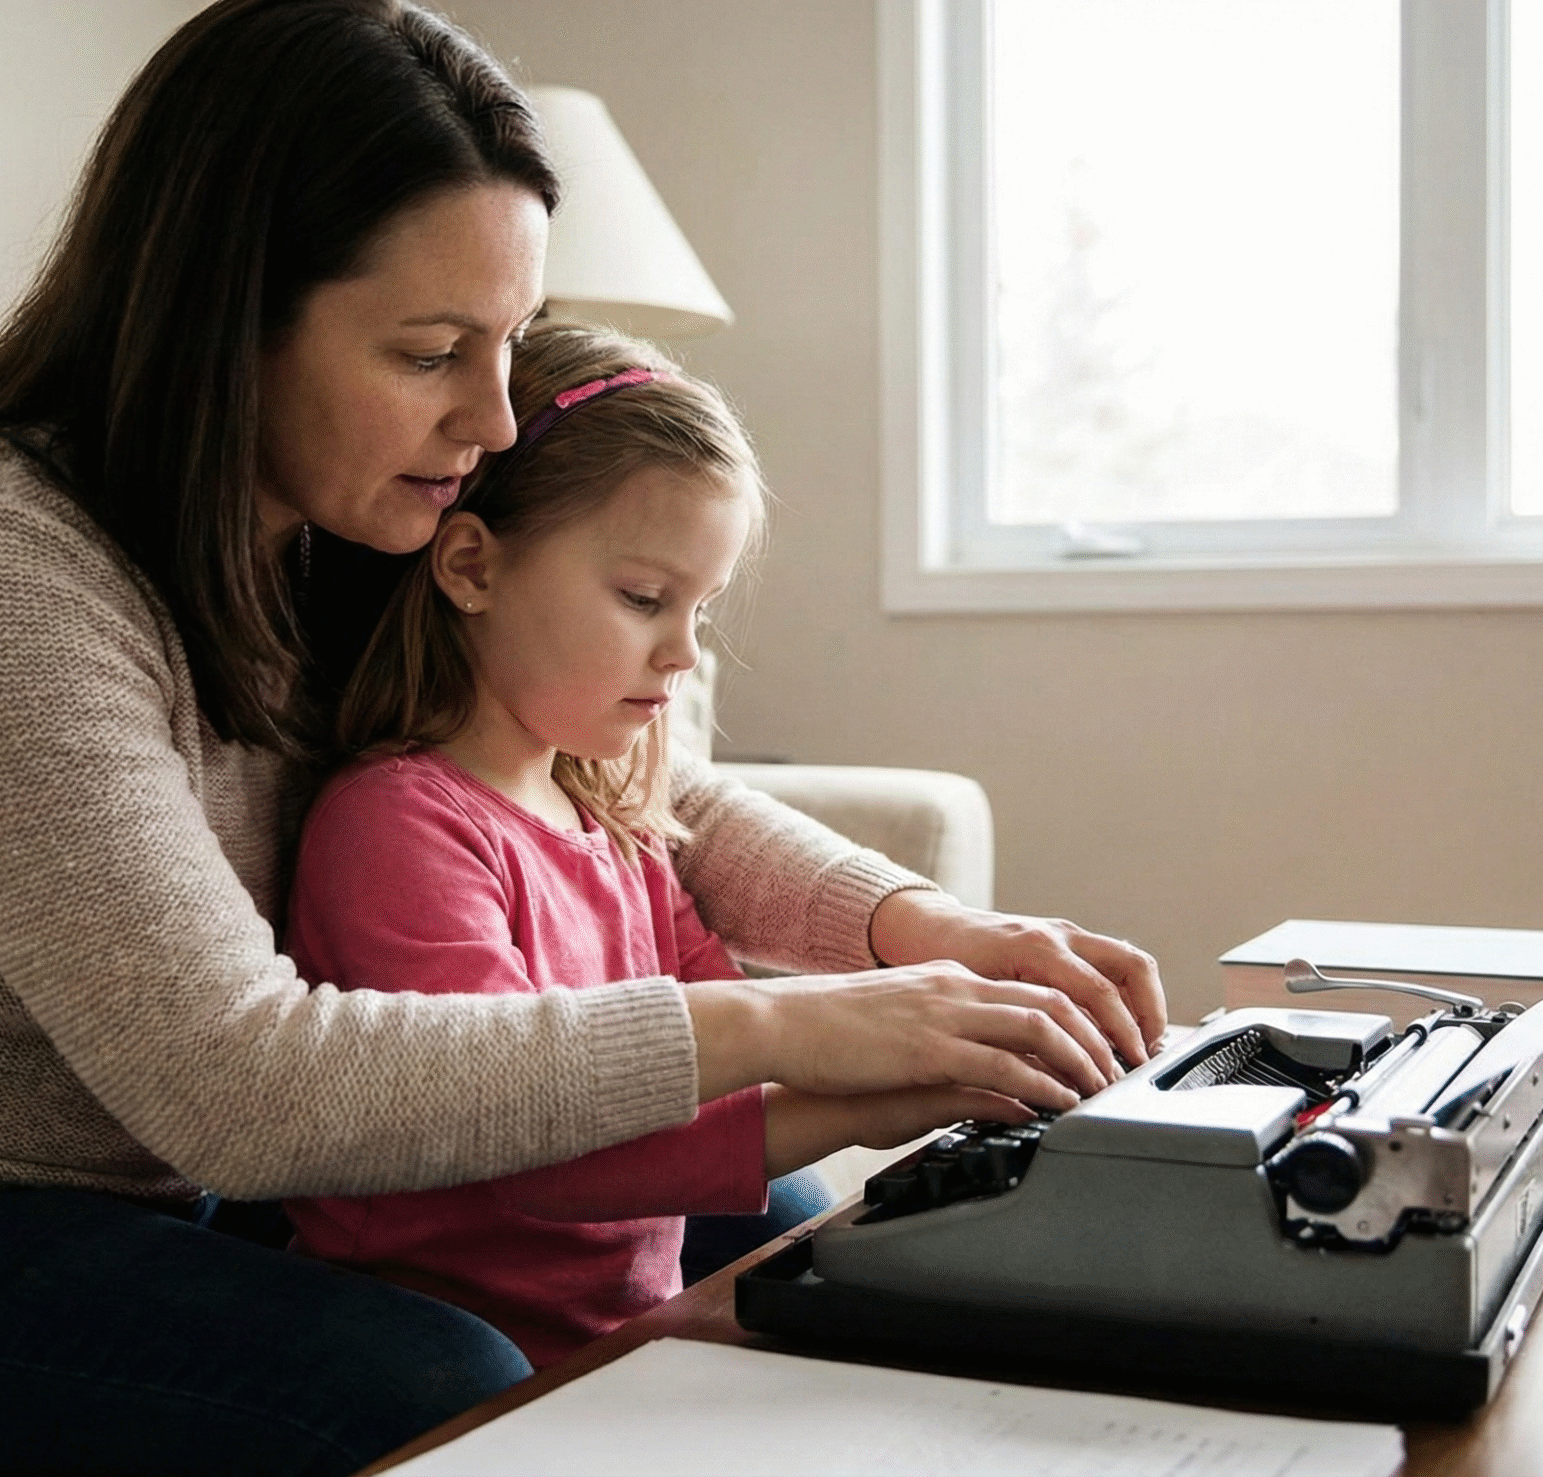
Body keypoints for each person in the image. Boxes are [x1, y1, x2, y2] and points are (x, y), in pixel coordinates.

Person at [0, 3, 1167, 1474]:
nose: (490, 422)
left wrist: (923, 930)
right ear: (230, 318)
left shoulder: (337, 522)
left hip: (158, 1197)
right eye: (429, 352)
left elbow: (649, 786)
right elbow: (243, 1086)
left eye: (510, 338)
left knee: (792, 1227)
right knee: (446, 1388)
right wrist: (794, 1027)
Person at [281, 324, 1013, 1367]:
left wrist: (948, 1063)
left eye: (699, 610)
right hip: (449, 1347)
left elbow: (716, 1079)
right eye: (641, 599)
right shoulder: (395, 826)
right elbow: (535, 1153)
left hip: (614, 1326)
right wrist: (893, 1097)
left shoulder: (610, 811)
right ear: (472, 564)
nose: (681, 653)